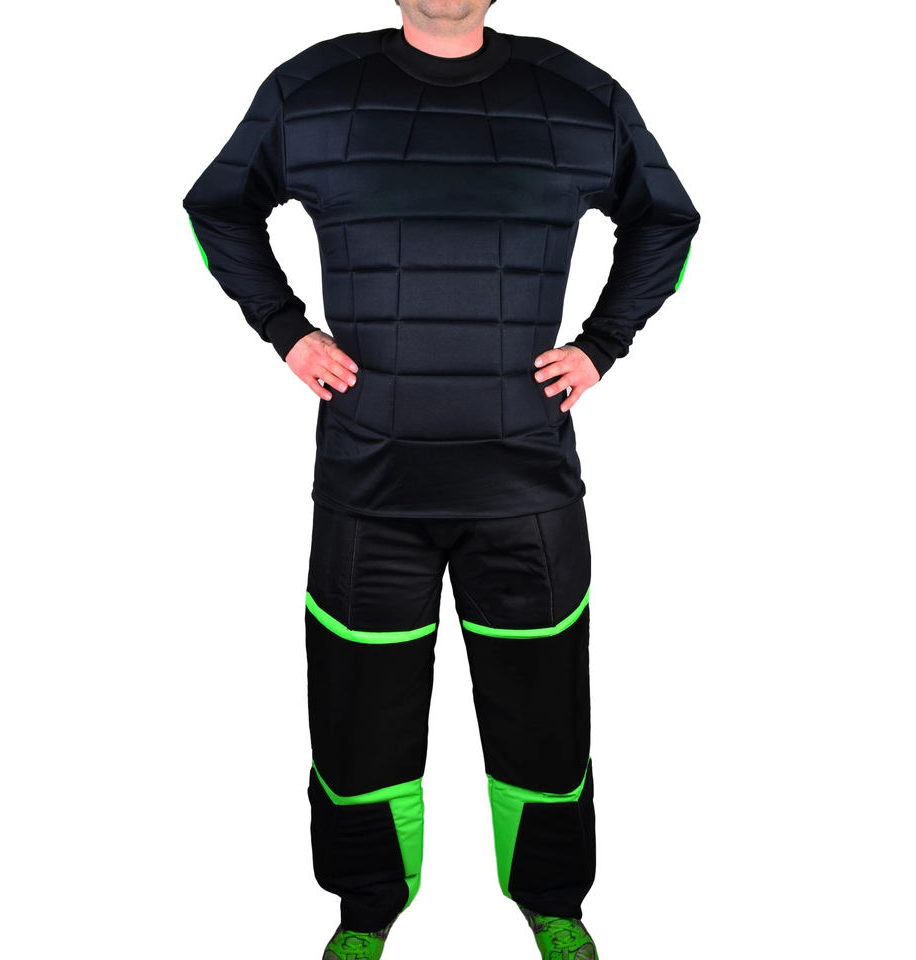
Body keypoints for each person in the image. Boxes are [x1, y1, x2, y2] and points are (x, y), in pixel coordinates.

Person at [182, 1, 700, 956]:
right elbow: (217, 207)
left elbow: (667, 221)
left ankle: (555, 906)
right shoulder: (313, 90)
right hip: (367, 491)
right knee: (356, 723)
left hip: (526, 492)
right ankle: (365, 913)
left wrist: (602, 345)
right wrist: (287, 330)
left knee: (546, 723)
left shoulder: (577, 96)